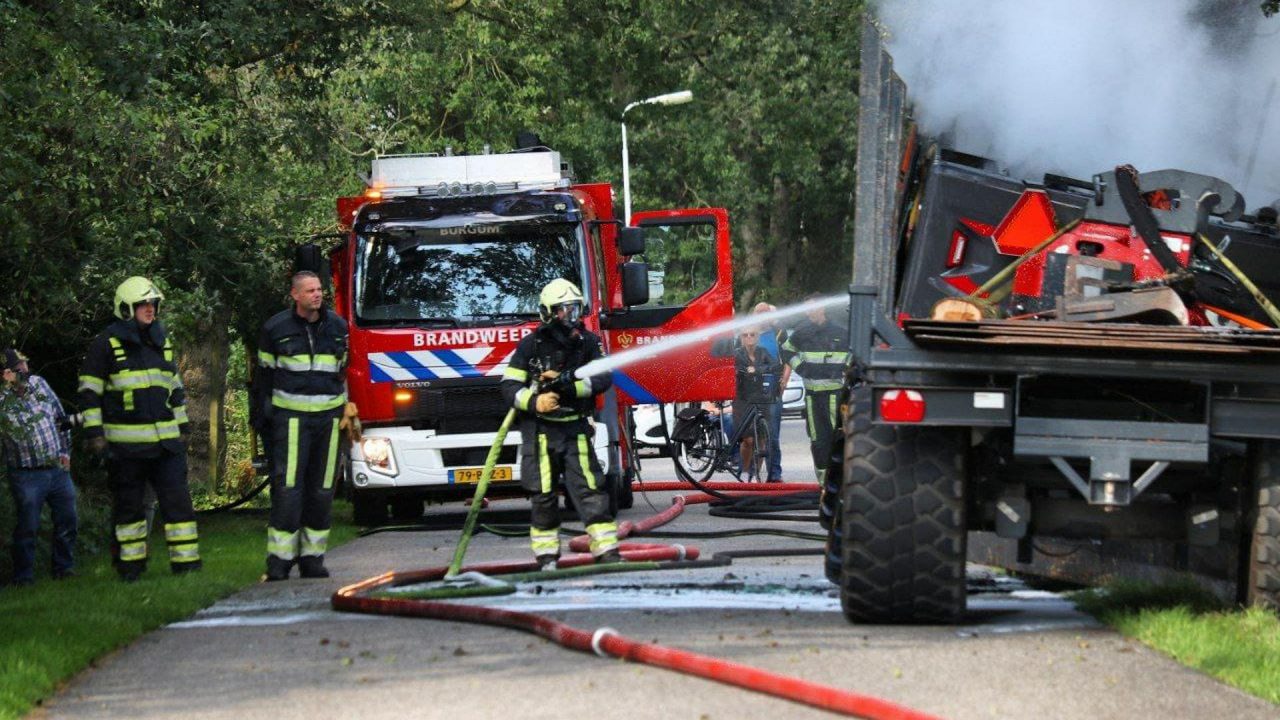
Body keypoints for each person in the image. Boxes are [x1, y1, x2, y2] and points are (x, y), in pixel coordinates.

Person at [79, 277, 200, 582]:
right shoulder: (106, 344)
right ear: (125, 308)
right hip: (126, 447)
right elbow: (90, 392)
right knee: (129, 509)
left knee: (179, 506)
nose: (150, 309)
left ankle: (187, 567)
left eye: (153, 304)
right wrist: (95, 435)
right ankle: (130, 569)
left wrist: (183, 426)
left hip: (166, 446)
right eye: (143, 304)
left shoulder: (162, 342)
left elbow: (174, 389)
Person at [501, 278, 618, 569]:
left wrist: (571, 387)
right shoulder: (531, 345)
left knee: (590, 490)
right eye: (564, 310)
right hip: (540, 432)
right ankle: (546, 557)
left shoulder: (588, 342)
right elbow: (508, 385)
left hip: (575, 428)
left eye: (575, 309)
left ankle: (606, 551)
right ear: (548, 312)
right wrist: (534, 401)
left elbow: (604, 378)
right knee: (543, 496)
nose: (572, 317)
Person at [252, 271, 352, 581]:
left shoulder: (338, 327)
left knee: (322, 490)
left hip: (330, 421)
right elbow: (263, 380)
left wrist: (348, 410)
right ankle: (279, 562)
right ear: (295, 295)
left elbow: (344, 370)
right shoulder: (275, 328)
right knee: (288, 489)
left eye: (319, 289)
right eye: (309, 290)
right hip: (291, 421)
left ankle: (313, 560)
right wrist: (262, 420)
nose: (317, 295)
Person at [1, 349, 78, 585]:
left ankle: (63, 569)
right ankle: (23, 578)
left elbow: (61, 419)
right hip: (25, 475)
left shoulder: (40, 384)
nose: (22, 369)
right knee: (28, 528)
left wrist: (65, 452)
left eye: (23, 364)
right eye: (16, 368)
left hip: (57, 469)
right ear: (5, 374)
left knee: (68, 519)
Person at [780, 297, 851, 484]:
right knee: (818, 442)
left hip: (835, 395)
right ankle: (823, 484)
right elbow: (786, 350)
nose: (808, 313)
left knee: (838, 439)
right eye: (806, 310)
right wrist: (801, 367)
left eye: (812, 309)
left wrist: (846, 368)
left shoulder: (841, 332)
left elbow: (855, 355)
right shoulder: (802, 332)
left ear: (822, 309)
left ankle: (841, 482)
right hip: (812, 398)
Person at [730, 327, 782, 481]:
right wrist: (744, 371)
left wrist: (757, 369)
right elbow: (734, 369)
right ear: (741, 338)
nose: (749, 338)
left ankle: (755, 474)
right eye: (745, 335)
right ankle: (745, 471)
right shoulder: (737, 354)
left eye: (752, 335)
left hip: (761, 398)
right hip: (742, 399)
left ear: (757, 337)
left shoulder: (763, 352)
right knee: (748, 440)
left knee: (761, 439)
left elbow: (776, 367)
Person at [752, 302, 790, 482]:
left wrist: (784, 380)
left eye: (764, 313)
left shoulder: (779, 334)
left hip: (773, 391)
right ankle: (752, 475)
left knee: (772, 435)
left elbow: (789, 358)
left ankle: (774, 474)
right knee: (753, 436)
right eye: (758, 313)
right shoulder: (748, 335)